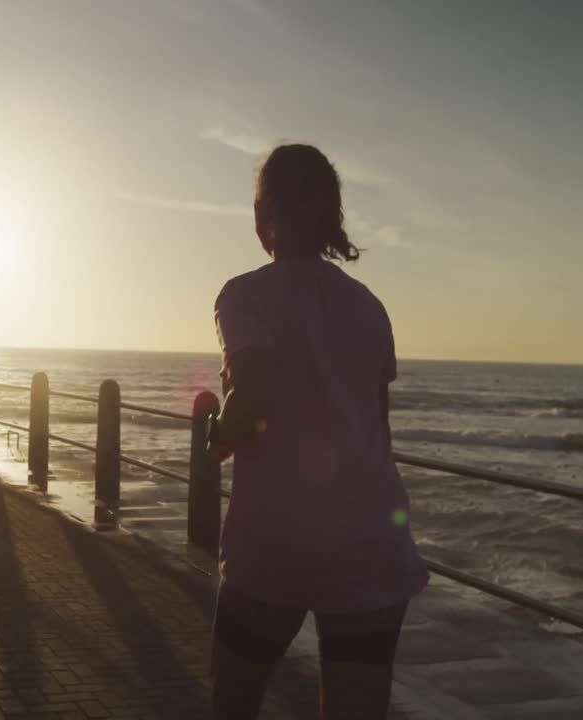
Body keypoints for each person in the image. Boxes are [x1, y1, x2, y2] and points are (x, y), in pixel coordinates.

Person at [207, 144, 428, 719]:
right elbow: (375, 426)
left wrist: (222, 435)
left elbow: (251, 387)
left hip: (278, 540)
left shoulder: (244, 294)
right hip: (372, 539)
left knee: (234, 700)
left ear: (267, 214)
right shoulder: (369, 306)